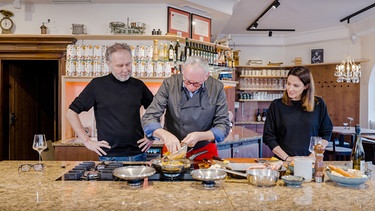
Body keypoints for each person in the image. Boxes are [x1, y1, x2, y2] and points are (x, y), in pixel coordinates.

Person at [66, 43, 154, 161]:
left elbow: (157, 110)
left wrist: (152, 136)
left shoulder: (138, 86)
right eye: (120, 65)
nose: (125, 70)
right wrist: (87, 141)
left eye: (128, 64)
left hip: (138, 154)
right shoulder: (97, 85)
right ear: (109, 64)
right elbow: (71, 112)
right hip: (109, 157)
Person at [139, 56, 230, 161]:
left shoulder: (216, 87)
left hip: (204, 150)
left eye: (196, 84)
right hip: (173, 149)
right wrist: (165, 135)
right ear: (183, 70)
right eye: (187, 81)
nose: (190, 87)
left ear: (206, 76)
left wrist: (201, 136)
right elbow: (149, 117)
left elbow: (223, 126)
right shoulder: (170, 84)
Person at [263, 66, 333, 162]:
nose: (290, 89)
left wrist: (313, 155)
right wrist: (287, 158)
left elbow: (326, 132)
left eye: (296, 86)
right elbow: (268, 137)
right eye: (288, 84)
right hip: (283, 161)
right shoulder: (276, 105)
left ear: (306, 86)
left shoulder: (318, 104)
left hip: (311, 161)